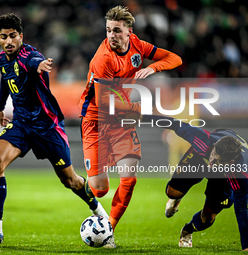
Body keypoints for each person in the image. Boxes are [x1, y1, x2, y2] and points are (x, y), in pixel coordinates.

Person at [0, 13, 107, 245]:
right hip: (22, 123)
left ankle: (101, 214)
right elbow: (6, 79)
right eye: (4, 37)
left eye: (13, 36)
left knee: (70, 180)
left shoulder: (31, 56)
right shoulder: (1, 60)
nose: (9, 41)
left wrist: (41, 65)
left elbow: (32, 63)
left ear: (21, 36)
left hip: (47, 126)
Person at [78, 5, 182, 248]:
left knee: (129, 179)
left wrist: (151, 67)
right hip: (95, 120)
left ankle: (108, 230)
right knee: (100, 190)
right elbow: (104, 102)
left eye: (116, 30)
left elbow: (175, 58)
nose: (111, 35)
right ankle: (83, 187)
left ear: (128, 32)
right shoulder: (103, 58)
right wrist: (139, 110)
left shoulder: (137, 45)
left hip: (120, 122)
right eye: (108, 31)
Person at [141, 114, 248, 251]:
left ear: (231, 162)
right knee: (172, 192)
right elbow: (174, 123)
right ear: (214, 147)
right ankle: (176, 199)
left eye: (217, 161)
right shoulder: (204, 141)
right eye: (213, 155)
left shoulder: (240, 173)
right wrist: (142, 117)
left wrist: (246, 246)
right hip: (198, 159)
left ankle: (187, 230)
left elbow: (241, 209)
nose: (212, 161)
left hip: (223, 178)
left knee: (207, 219)